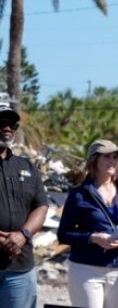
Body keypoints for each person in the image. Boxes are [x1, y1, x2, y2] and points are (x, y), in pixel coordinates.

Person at [58, 140, 118, 308]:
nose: (113, 161)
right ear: (94, 160)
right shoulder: (79, 194)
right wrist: (93, 238)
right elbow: (63, 234)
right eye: (107, 157)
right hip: (86, 269)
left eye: (115, 157)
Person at [0, 104, 48, 308]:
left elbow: (41, 205)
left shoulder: (26, 166)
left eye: (12, 124)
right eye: (2, 123)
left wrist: (23, 234)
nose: (8, 128)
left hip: (19, 269)